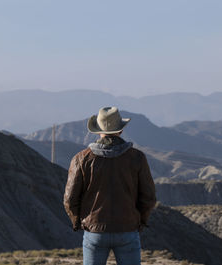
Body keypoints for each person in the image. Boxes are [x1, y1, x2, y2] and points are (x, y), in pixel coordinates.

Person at [63, 106, 156, 265]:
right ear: (120, 130)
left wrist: (78, 222)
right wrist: (141, 221)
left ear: (98, 130)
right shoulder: (137, 158)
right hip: (127, 229)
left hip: (94, 232)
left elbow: (70, 200)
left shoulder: (81, 159)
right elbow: (148, 198)